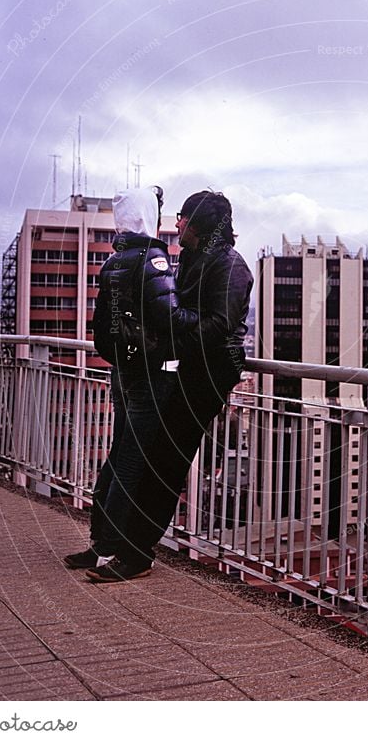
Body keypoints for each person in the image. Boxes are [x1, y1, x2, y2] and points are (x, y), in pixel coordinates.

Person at [114, 190, 253, 578]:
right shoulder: (198, 257)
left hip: (207, 372)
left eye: (183, 218)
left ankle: (136, 554)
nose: (176, 224)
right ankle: (126, 546)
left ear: (200, 225)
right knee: (158, 457)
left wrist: (171, 325)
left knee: (166, 461)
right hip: (188, 367)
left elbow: (217, 326)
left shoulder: (230, 266)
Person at [63, 186, 196, 580]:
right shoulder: (152, 260)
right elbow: (171, 318)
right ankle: (119, 549)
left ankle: (100, 544)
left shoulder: (113, 262)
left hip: (121, 369)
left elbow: (103, 326)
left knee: (118, 455)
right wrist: (202, 324)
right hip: (150, 373)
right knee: (134, 463)